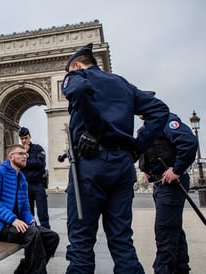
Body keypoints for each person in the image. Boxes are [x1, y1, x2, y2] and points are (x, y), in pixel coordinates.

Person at [61, 43, 169, 274]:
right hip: (122, 165)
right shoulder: (123, 84)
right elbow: (160, 110)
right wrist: (138, 146)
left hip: (90, 166)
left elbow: (78, 91)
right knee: (122, 241)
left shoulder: (77, 76)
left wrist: (93, 130)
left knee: (81, 243)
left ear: (77, 65)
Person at [0, 144, 59, 274]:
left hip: (13, 226)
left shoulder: (22, 178)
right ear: (10, 157)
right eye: (21, 154)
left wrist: (30, 220)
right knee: (33, 234)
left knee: (52, 237)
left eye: (26, 154)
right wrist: (13, 219)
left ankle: (23, 271)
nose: (25, 157)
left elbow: (24, 207)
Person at [139, 109, 198, 274]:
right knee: (174, 231)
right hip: (160, 183)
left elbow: (189, 142)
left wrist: (177, 169)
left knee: (164, 232)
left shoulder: (166, 120)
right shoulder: (146, 128)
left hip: (172, 183)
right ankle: (181, 269)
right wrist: (147, 169)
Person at [19, 126, 50, 229]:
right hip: (25, 186)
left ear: (30, 137)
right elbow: (17, 166)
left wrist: (26, 157)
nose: (24, 140)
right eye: (22, 138)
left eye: (26, 138)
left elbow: (40, 164)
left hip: (38, 185)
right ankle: (33, 237)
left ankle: (47, 237)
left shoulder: (38, 148)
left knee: (43, 215)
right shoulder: (19, 151)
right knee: (29, 216)